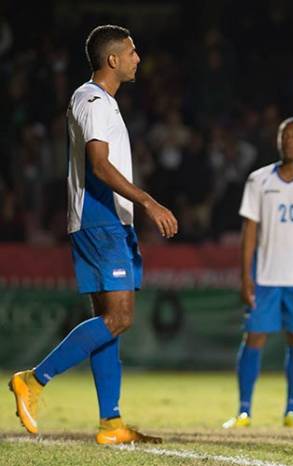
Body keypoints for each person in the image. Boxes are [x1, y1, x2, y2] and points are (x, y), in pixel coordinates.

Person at [9, 24, 178, 444]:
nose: (140, 58)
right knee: (120, 317)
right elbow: (99, 165)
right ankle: (33, 379)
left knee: (108, 321)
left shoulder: (99, 102)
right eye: (133, 51)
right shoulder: (93, 100)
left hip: (105, 221)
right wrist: (148, 201)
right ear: (113, 59)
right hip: (99, 220)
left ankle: (110, 423)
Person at [222, 118, 293, 429]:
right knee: (253, 337)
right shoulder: (259, 180)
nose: (290, 140)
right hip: (265, 277)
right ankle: (244, 411)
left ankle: (291, 410)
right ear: (278, 141)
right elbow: (249, 231)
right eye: (285, 136)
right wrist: (245, 276)